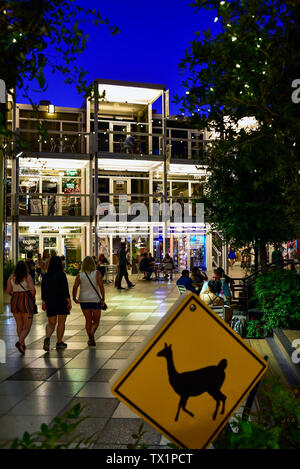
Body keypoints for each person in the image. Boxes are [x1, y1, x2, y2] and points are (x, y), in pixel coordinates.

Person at [73, 256, 105, 346]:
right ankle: (91, 333)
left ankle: (90, 339)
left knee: (88, 320)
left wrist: (74, 297)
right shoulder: (97, 273)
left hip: (84, 300)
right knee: (96, 321)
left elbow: (75, 286)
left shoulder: (80, 275)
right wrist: (103, 298)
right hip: (95, 300)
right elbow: (101, 286)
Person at [41, 256, 71, 351]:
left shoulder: (46, 276)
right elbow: (65, 289)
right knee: (61, 323)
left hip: (50, 301)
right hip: (61, 300)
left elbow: (43, 290)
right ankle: (59, 342)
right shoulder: (62, 275)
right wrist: (68, 300)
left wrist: (44, 300)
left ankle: (47, 338)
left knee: (51, 323)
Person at [6, 261, 36, 354]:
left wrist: (15, 295)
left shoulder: (11, 277)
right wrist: (32, 298)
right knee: (27, 326)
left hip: (15, 300)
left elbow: (8, 290)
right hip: (26, 301)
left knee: (19, 324)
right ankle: (19, 342)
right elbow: (33, 290)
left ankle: (22, 344)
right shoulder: (27, 276)